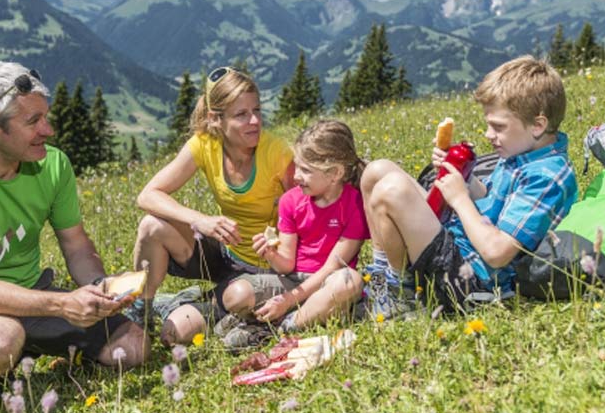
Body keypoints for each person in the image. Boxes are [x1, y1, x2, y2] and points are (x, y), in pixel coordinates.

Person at [0, 62, 148, 413]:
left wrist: (100, 288)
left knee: (134, 349)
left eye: (45, 117)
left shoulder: (53, 166)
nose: (48, 130)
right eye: (32, 122)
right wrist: (61, 304)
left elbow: (76, 245)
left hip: (32, 294)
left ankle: (34, 349)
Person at [361, 56, 578, 311]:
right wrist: (461, 176)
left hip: (472, 280)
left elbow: (497, 253)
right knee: (376, 172)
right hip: (458, 244)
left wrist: (459, 199)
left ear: (538, 125)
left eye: (498, 127)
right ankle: (380, 278)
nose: (488, 135)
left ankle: (400, 296)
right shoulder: (520, 153)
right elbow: (490, 197)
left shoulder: (547, 177)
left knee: (392, 189)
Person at [132, 66, 294, 346]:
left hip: (267, 267)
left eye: (257, 110)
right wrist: (199, 220)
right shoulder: (205, 144)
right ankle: (140, 313)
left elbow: (311, 215)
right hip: (224, 254)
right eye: (241, 115)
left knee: (174, 336)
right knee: (151, 226)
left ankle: (205, 305)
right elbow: (148, 195)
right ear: (215, 119)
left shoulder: (277, 153)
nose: (254, 121)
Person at [219, 120, 368, 346]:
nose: (296, 176)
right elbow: (286, 265)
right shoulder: (291, 201)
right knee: (235, 294)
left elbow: (332, 268)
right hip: (291, 280)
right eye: (297, 166)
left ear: (335, 173)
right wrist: (271, 254)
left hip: (328, 284)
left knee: (350, 281)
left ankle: (280, 327)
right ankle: (273, 318)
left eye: (306, 170)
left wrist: (287, 302)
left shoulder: (355, 204)